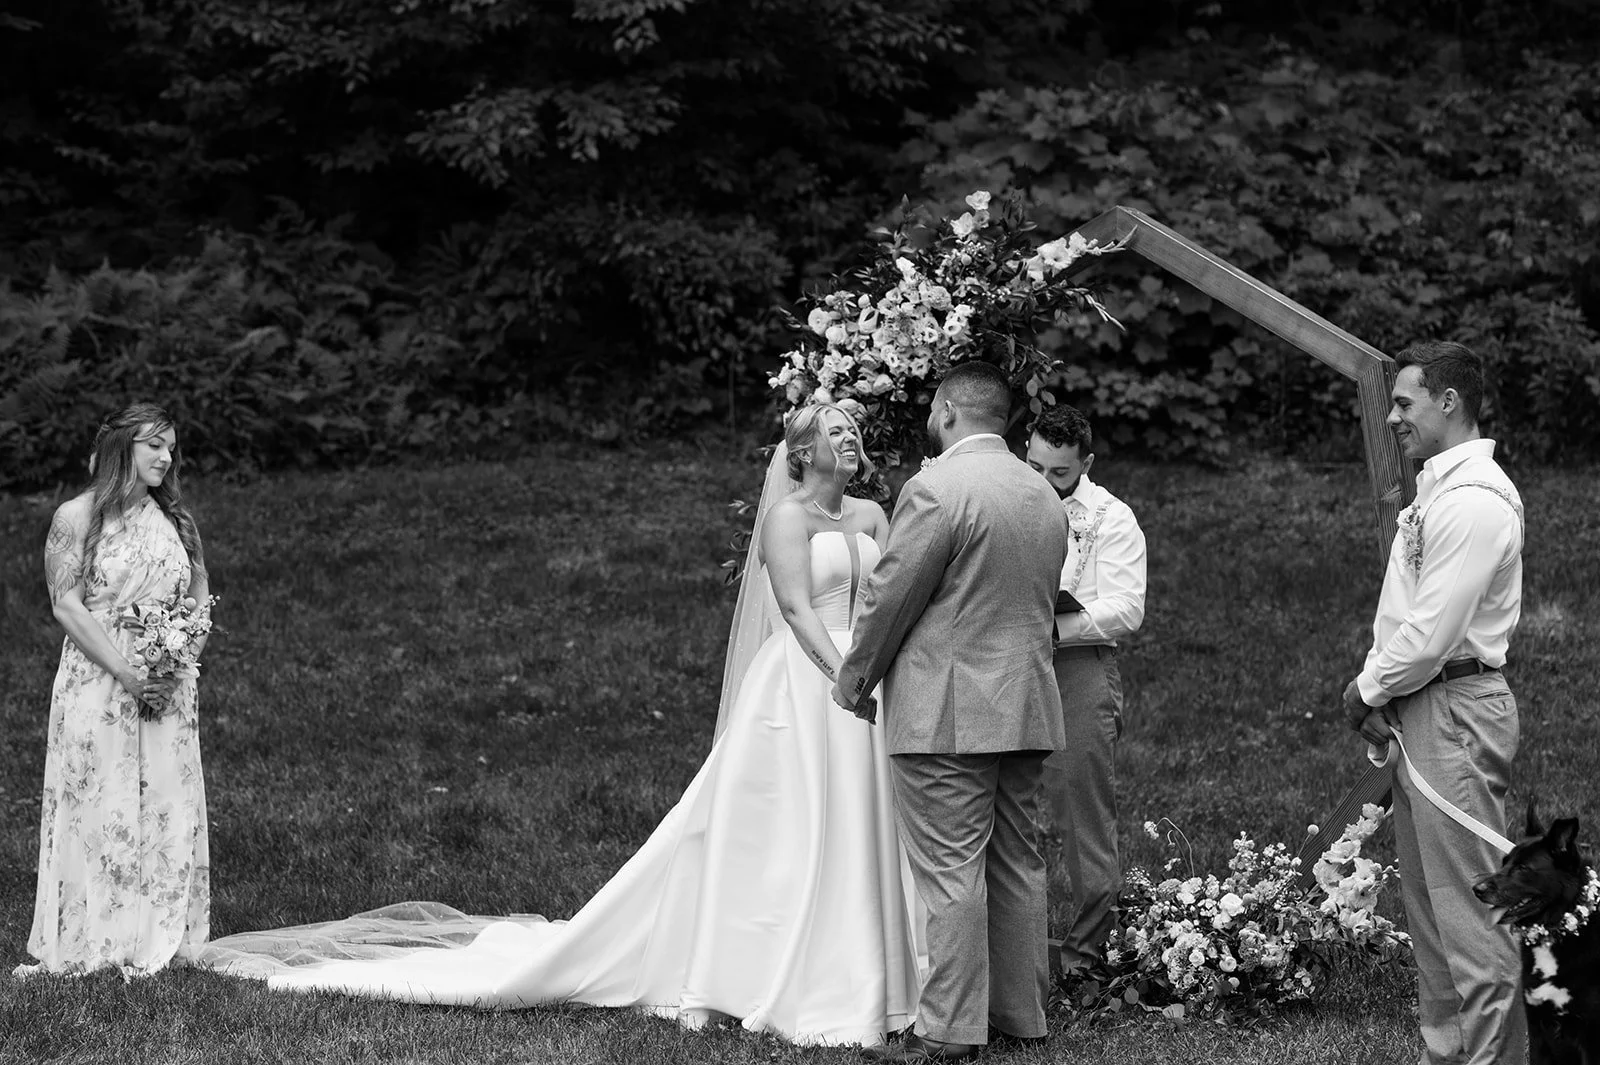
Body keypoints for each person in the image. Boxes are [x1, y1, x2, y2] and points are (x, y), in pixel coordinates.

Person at [201, 402, 922, 1048]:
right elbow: (796, 610)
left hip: (864, 685)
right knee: (790, 829)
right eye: (836, 429)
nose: (851, 437)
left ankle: (873, 976)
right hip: (805, 685)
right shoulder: (787, 518)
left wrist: (875, 674)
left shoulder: (871, 516)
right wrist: (845, 678)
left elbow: (886, 601)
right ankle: (775, 973)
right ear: (801, 451)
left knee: (863, 825)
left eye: (855, 429)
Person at [832, 361, 1070, 1063]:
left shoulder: (936, 488)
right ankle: (1020, 1015)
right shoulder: (1043, 493)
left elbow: (891, 596)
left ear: (944, 412)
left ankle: (947, 1029)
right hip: (1027, 704)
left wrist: (855, 678)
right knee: (1017, 861)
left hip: (947, 711)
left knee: (950, 869)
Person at [1341, 341, 1526, 1065]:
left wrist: (1365, 688)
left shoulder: (1476, 500)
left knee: (1474, 912)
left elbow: (1435, 629)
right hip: (1423, 703)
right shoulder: (1436, 492)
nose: (1392, 418)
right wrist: (1381, 689)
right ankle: (1445, 1055)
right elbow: (1404, 616)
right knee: (1431, 914)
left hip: (1455, 706)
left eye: (1405, 402)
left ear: (1450, 402)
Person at [17, 403, 213, 979]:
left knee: (168, 806)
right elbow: (65, 604)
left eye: (171, 447)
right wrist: (128, 675)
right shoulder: (75, 517)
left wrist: (178, 662)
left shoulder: (177, 519)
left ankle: (164, 930)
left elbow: (201, 594)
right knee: (98, 802)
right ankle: (98, 933)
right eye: (155, 445)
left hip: (168, 685)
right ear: (121, 447)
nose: (166, 456)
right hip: (98, 682)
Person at [1024, 403, 1146, 978]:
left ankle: (1087, 955)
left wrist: (1053, 625)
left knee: (1082, 810)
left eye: (1059, 474)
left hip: (1078, 668)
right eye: (1035, 466)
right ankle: (1015, 946)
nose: (1044, 484)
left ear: (1087, 463)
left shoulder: (1112, 517)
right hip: (1011, 666)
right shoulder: (1011, 500)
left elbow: (1126, 608)